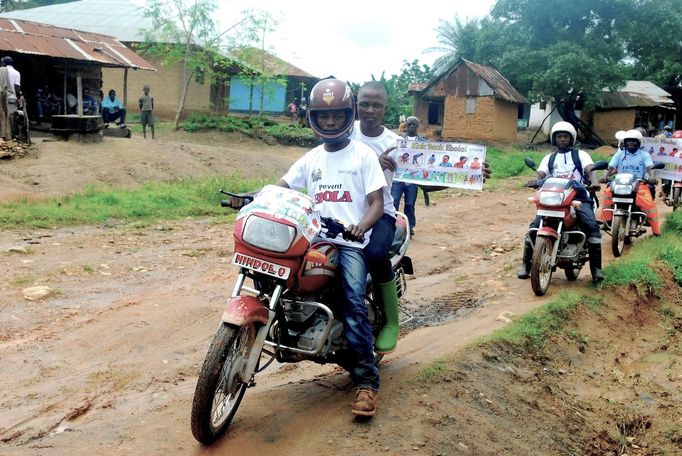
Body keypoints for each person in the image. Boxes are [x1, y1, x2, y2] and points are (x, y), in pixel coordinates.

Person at [231, 79, 386, 417]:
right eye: (323, 116)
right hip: (313, 240)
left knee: (353, 303)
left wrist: (362, 225)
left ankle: (366, 383)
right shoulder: (310, 159)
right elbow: (280, 187)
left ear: (349, 116)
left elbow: (376, 202)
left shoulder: (363, 155)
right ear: (313, 118)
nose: (330, 122)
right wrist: (249, 196)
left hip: (349, 243)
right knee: (274, 279)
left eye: (337, 116)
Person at [350, 80, 403, 356]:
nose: (370, 109)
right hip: (342, 211)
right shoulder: (344, 133)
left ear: (385, 108)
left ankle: (392, 321)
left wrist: (474, 174)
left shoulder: (396, 144)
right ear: (356, 105)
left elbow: (426, 177)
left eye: (377, 105)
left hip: (381, 212)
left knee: (373, 253)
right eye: (365, 104)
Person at [517, 121, 604, 283]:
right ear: (554, 139)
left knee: (591, 226)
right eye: (559, 137)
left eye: (565, 136)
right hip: (554, 197)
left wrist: (594, 181)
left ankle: (596, 269)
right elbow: (541, 174)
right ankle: (526, 265)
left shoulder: (581, 155)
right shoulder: (549, 158)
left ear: (571, 139)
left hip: (578, 197)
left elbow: (590, 170)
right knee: (535, 227)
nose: (562, 139)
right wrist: (534, 181)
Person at [599, 129, 660, 236]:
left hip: (638, 184)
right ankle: (607, 221)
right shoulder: (620, 154)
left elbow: (650, 167)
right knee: (607, 193)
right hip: (620, 183)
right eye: (628, 141)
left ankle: (656, 231)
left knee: (649, 204)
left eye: (633, 141)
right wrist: (605, 176)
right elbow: (610, 167)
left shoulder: (644, 155)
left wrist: (652, 177)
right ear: (625, 142)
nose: (630, 143)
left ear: (638, 142)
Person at [391, 116, 425, 236]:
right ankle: (391, 225)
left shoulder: (423, 143)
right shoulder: (398, 140)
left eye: (414, 125)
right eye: (409, 124)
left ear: (417, 126)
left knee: (410, 204)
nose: (411, 126)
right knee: (394, 202)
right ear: (406, 125)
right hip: (398, 177)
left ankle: (409, 227)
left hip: (413, 179)